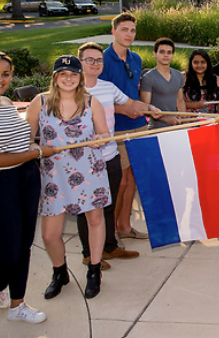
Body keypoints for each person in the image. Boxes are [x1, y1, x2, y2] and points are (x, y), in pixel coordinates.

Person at [26, 55, 111, 300]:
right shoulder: (39, 102)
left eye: (73, 74)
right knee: (49, 234)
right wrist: (37, 149)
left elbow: (103, 133)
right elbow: (29, 139)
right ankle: (59, 271)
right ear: (55, 77)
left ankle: (94, 270)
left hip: (89, 171)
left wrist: (100, 138)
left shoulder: (90, 101)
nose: (68, 78)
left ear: (80, 77)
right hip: (54, 175)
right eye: (63, 74)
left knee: (95, 220)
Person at [0, 51, 54, 323]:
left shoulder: (4, 102)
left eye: (5, 74)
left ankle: (18, 305)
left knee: (24, 245)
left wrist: (34, 147)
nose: (0, 79)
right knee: (8, 252)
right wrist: (36, 154)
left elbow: (21, 140)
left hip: (24, 177)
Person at [77, 43, 151, 272]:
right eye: (89, 60)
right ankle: (89, 254)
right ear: (80, 62)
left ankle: (109, 245)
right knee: (87, 208)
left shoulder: (108, 87)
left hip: (110, 154)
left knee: (108, 202)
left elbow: (130, 103)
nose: (95, 64)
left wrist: (152, 108)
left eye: (99, 60)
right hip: (84, 160)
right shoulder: (73, 90)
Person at [99, 13, 148, 241]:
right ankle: (112, 231)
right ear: (113, 31)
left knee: (134, 179)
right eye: (124, 29)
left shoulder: (136, 59)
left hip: (138, 125)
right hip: (115, 128)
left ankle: (125, 225)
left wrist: (148, 108)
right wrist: (124, 110)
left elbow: (132, 95)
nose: (129, 34)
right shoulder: (103, 60)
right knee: (120, 181)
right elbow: (98, 100)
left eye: (132, 30)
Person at [139, 38, 185, 129]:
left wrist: (183, 118)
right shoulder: (148, 78)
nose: (166, 55)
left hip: (176, 126)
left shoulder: (179, 75)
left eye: (169, 52)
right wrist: (167, 119)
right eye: (162, 52)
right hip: (156, 128)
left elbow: (180, 101)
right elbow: (145, 107)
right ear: (155, 54)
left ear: (173, 55)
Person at [183, 50, 219, 114]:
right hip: (189, 121)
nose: (199, 65)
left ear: (207, 63)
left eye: (203, 62)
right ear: (191, 63)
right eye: (196, 62)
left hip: (211, 121)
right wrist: (195, 105)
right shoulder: (184, 78)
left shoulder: (216, 79)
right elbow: (176, 103)